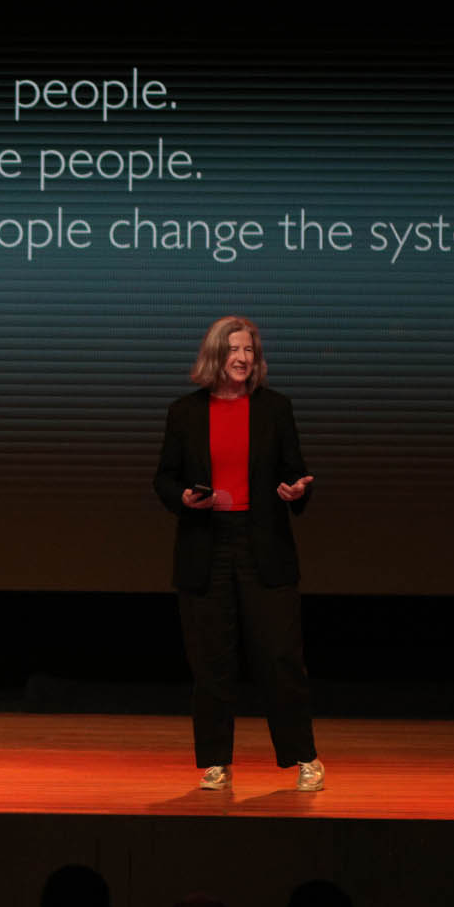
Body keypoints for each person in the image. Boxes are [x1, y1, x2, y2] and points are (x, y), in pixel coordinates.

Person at [153, 316, 323, 791]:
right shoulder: (185, 412)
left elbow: (295, 472)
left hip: (263, 543)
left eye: (249, 350)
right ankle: (216, 762)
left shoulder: (275, 409)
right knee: (212, 663)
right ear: (215, 354)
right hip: (206, 544)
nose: (243, 358)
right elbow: (164, 478)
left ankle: (304, 757)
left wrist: (296, 490)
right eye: (233, 349)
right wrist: (183, 497)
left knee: (280, 658)